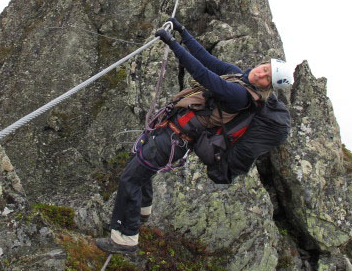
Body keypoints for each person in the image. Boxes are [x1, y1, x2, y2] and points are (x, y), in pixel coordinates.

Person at [95, 17, 293, 255]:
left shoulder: (241, 96)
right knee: (140, 165)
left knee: (131, 178)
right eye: (265, 68)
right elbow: (207, 59)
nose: (261, 73)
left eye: (266, 78)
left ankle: (125, 239)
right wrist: (183, 32)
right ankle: (142, 210)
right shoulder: (238, 75)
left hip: (173, 139)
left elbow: (203, 74)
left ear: (267, 87)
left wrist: (172, 42)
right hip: (170, 132)